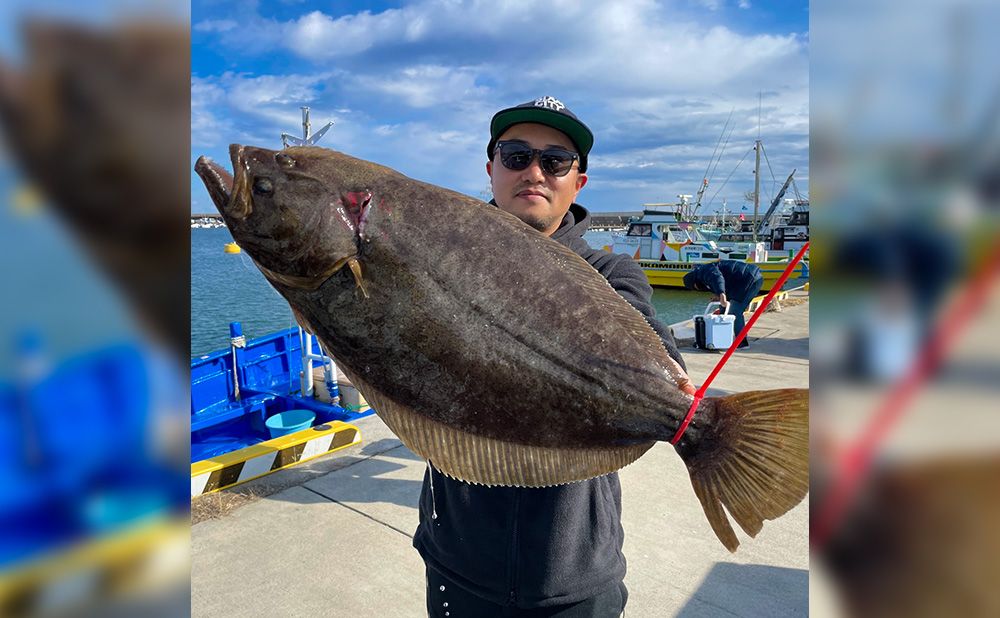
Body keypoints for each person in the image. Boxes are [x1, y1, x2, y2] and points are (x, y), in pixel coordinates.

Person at [412, 96, 692, 617]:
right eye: (516, 155)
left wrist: (677, 405)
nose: (534, 172)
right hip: (456, 561)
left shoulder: (612, 274)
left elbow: (662, 362)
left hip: (574, 575)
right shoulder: (438, 261)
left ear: (577, 181)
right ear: (491, 167)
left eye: (555, 161)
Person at [682, 260, 764, 348]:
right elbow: (724, 280)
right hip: (741, 281)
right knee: (722, 310)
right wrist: (719, 296)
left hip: (750, 279)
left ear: (694, 283)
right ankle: (718, 340)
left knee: (735, 311)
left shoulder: (704, 271)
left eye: (695, 288)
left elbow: (717, 278)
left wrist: (721, 294)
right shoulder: (702, 273)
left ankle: (742, 342)